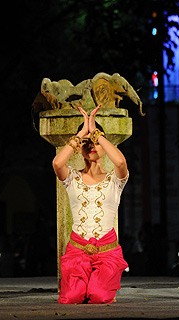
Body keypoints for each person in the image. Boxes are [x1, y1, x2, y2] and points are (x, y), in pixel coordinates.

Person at [52, 105, 129, 304]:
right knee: (70, 297)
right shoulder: (72, 178)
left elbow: (120, 163)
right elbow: (57, 164)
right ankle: (83, 284)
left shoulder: (114, 180)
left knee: (100, 296)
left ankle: (96, 284)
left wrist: (96, 133)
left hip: (107, 251)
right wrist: (81, 134)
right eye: (87, 142)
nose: (92, 145)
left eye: (96, 142)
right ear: (79, 146)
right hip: (78, 250)